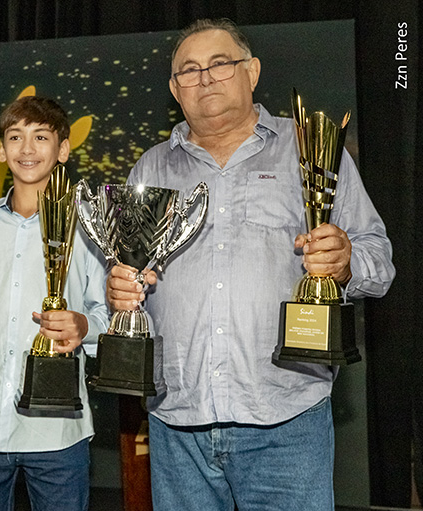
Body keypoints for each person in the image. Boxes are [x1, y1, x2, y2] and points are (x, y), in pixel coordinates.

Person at [106, 19, 395, 510]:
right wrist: (119, 288)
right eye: (189, 70)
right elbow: (126, 275)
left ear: (252, 71)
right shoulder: (151, 167)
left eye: (220, 64)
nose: (205, 78)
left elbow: (379, 261)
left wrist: (346, 262)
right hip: (178, 420)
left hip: (286, 419)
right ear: (175, 89)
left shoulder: (309, 150)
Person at [0, 96, 109, 511]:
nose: (27, 148)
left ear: (63, 150)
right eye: (15, 137)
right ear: (1, 150)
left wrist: (83, 326)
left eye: (41, 137)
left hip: (57, 431)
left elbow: (108, 315)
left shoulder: (90, 226)